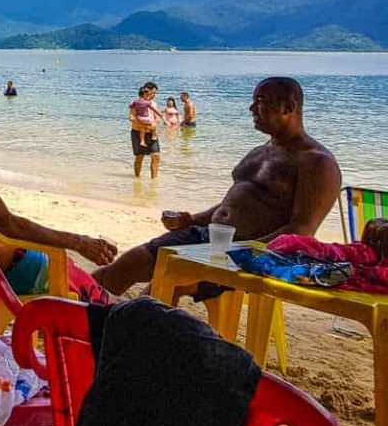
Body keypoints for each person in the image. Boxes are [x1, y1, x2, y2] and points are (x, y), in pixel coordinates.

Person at [93, 77, 342, 296]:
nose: (251, 108)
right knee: (125, 265)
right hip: (207, 237)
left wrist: (239, 253)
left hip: (247, 257)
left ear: (288, 107)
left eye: (261, 101)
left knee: (164, 284)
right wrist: (190, 219)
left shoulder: (317, 163)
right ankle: (78, 321)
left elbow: (301, 231)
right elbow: (233, 205)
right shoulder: (261, 152)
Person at [0, 79, 115, 302]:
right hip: (11, 269)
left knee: (75, 271)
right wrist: (79, 242)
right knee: (89, 289)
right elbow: (8, 224)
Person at [129, 86, 163, 178]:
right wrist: (145, 125)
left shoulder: (154, 104)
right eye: (152, 93)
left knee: (156, 156)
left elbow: (157, 118)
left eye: (155, 93)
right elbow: (132, 117)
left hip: (152, 133)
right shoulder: (135, 103)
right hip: (137, 132)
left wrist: (155, 124)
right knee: (139, 157)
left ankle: (153, 182)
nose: (154, 95)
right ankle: (136, 179)